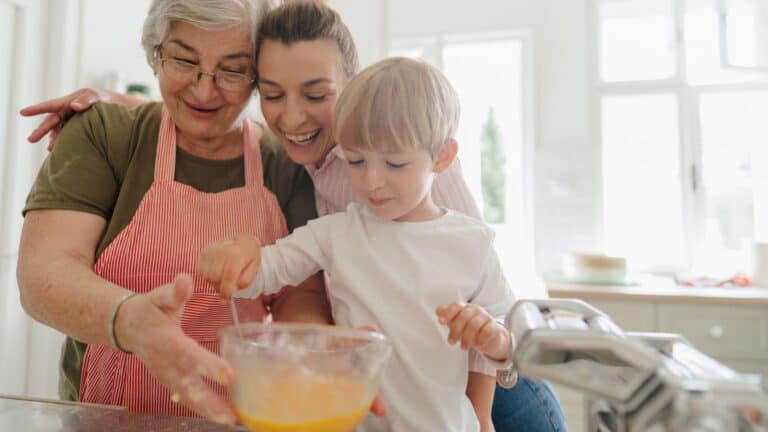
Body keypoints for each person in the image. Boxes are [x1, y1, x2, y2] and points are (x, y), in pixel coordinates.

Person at [20, 2, 567, 431]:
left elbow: (471, 294)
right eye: (273, 94)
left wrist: (479, 409)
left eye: (317, 93)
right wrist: (119, 103)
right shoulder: (276, 156)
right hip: (374, 388)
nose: (294, 117)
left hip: (476, 387)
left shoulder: (395, 156)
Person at [16, 0, 335, 424]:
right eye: (184, 61)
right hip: (106, 418)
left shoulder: (287, 165)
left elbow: (301, 295)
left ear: (259, 76)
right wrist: (131, 321)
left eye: (233, 70)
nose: (205, 90)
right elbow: (44, 273)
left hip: (239, 416)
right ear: (155, 56)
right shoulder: (105, 135)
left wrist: (304, 359)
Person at [199, 56, 514, 432]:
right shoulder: (335, 233)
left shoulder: (472, 243)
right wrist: (238, 261)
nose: (372, 181)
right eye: (355, 160)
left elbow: (513, 342)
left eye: (395, 164)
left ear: (442, 157)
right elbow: (264, 272)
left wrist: (493, 338)